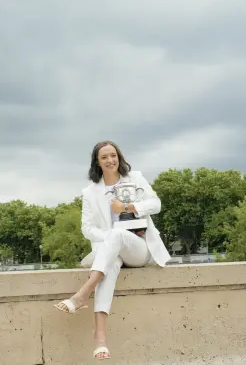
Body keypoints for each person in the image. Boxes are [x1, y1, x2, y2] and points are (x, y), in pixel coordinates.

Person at [54, 140, 171, 360]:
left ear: (119, 157)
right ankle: (100, 340)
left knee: (117, 237)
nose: (110, 160)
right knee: (110, 262)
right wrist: (111, 240)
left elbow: (156, 204)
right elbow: (87, 229)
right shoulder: (90, 192)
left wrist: (128, 207)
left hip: (140, 248)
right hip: (113, 249)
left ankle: (82, 294)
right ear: (97, 163)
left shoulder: (135, 178)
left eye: (113, 155)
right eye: (104, 157)